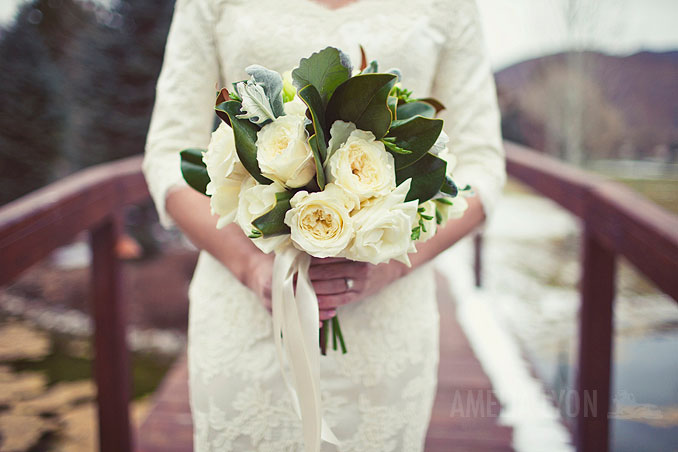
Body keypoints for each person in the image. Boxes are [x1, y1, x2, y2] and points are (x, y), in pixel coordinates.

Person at [143, 0, 505, 450]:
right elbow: (168, 155)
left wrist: (385, 267)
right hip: (246, 313)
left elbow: (483, 167)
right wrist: (252, 267)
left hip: (386, 325)